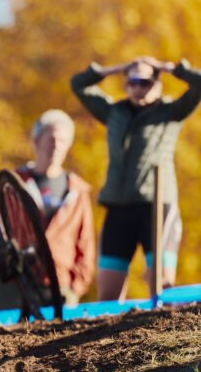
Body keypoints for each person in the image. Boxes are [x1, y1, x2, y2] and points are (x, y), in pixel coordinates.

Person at [71, 56, 201, 301]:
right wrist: (119, 68)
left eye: (146, 82)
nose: (139, 88)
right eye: (133, 82)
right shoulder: (114, 112)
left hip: (157, 207)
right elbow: (78, 84)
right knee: (108, 296)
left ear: (157, 84)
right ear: (126, 84)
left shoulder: (170, 112)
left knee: (161, 289)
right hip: (118, 207)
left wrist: (170, 68)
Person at [14, 110, 95, 307]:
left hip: (63, 287)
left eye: (63, 141)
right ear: (36, 141)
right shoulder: (13, 184)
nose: (57, 146)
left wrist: (76, 287)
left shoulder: (77, 190)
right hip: (18, 286)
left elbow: (86, 241)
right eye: (51, 139)